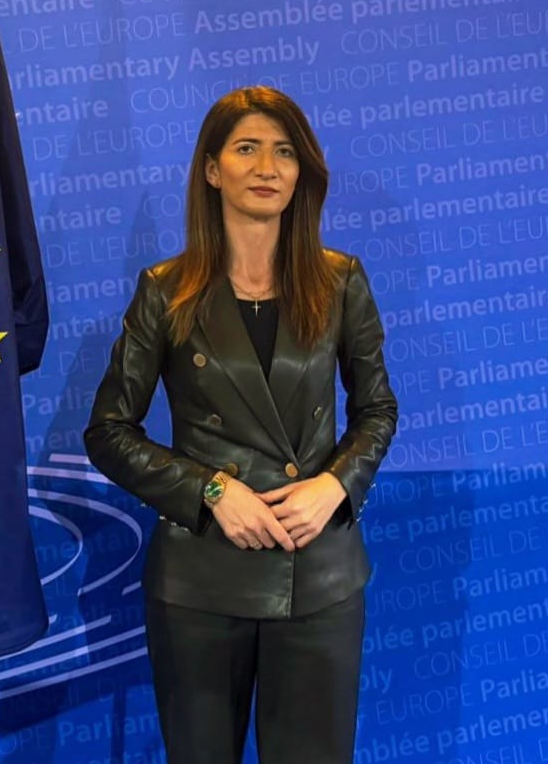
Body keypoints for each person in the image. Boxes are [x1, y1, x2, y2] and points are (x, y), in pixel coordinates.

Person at [83, 85, 398, 764]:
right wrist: (212, 491)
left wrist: (335, 485)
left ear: (302, 171)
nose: (266, 168)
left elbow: (377, 409)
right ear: (211, 169)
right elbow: (108, 431)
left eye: (284, 152)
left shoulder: (341, 281)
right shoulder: (165, 290)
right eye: (247, 148)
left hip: (319, 575)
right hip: (201, 581)